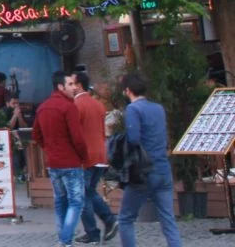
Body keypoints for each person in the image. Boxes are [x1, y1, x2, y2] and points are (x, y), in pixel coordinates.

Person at [117, 72, 181, 247]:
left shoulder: (133, 109)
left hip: (144, 171)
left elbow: (133, 139)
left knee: (125, 218)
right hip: (163, 168)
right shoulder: (158, 108)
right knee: (168, 220)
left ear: (127, 91)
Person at [33, 70, 89, 247]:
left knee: (60, 201)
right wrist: (83, 156)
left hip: (54, 162)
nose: (74, 87)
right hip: (71, 162)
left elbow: (36, 134)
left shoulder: (42, 107)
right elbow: (78, 138)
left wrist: (48, 148)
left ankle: (63, 239)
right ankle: (65, 240)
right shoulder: (68, 107)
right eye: (71, 84)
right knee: (76, 202)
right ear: (60, 87)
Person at [74, 71, 119, 243]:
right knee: (90, 192)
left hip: (86, 157)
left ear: (78, 85)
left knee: (83, 195)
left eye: (72, 83)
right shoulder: (98, 104)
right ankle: (109, 221)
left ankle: (93, 231)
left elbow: (76, 134)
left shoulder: (77, 105)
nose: (70, 86)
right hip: (100, 154)